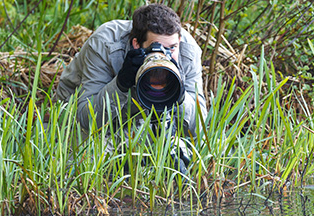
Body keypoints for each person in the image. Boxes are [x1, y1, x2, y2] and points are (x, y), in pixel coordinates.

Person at [56, 3, 207, 139]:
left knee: (182, 156)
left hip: (142, 117)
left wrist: (179, 96)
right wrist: (121, 83)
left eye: (172, 48)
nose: (165, 56)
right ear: (136, 44)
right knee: (89, 159)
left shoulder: (189, 52)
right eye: (157, 48)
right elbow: (86, 121)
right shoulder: (105, 44)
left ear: (179, 40)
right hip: (76, 110)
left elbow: (199, 129)